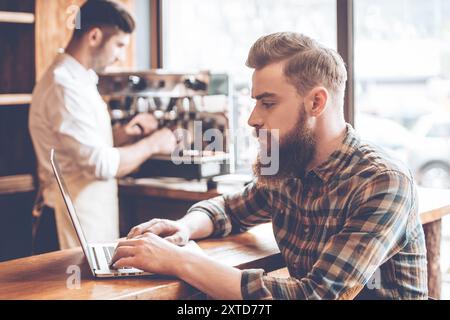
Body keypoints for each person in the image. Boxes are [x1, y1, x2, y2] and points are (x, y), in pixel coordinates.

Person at [110, 32, 428, 300]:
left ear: (316, 103)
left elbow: (316, 295)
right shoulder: (289, 166)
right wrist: (184, 227)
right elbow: (230, 210)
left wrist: (181, 262)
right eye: (255, 102)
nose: (253, 118)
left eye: (268, 103)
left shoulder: (383, 182)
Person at [29, 0, 176, 250]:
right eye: (119, 45)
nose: (120, 56)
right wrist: (153, 144)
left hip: (88, 221)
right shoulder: (64, 86)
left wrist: (120, 136)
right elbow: (99, 164)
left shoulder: (81, 79)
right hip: (66, 225)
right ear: (94, 36)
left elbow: (80, 148)